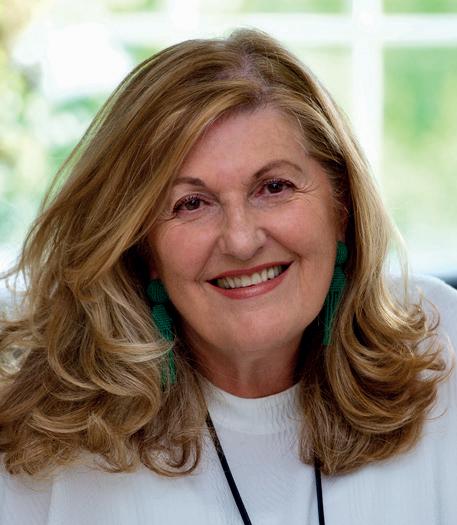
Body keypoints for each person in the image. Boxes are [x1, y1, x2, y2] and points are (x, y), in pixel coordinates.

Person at [0, 28, 456, 525]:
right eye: (191, 203)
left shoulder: (442, 351)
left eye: (274, 187)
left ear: (341, 208)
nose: (240, 240)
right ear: (142, 246)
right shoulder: (36, 441)